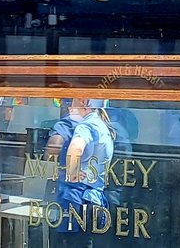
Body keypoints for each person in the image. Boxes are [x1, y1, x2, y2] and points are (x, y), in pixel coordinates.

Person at [56, 97, 116, 247]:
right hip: (94, 198)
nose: (70, 107)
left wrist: (72, 173)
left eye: (73, 102)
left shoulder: (86, 125)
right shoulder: (102, 126)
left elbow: (76, 147)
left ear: (84, 102)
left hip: (79, 198)